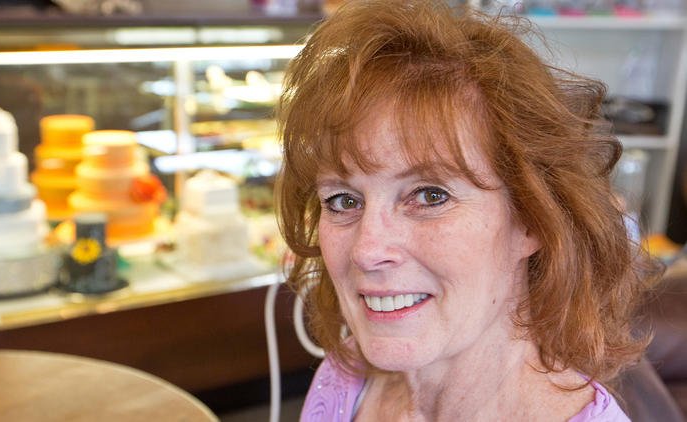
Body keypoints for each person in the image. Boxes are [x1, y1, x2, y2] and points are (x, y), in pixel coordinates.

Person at [274, 0, 664, 420]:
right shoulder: (344, 377)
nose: (366, 251)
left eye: (430, 196)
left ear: (533, 218)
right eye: (344, 201)